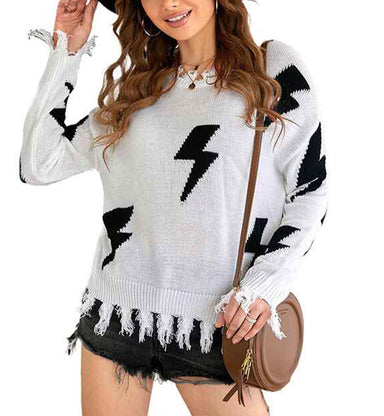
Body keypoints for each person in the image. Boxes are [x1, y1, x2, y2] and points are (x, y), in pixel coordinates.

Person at [19, 0, 328, 414]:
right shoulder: (136, 93)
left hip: (219, 325)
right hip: (117, 315)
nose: (170, 3)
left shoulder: (272, 69)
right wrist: (67, 50)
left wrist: (265, 285)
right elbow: (38, 164)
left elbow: (311, 191)